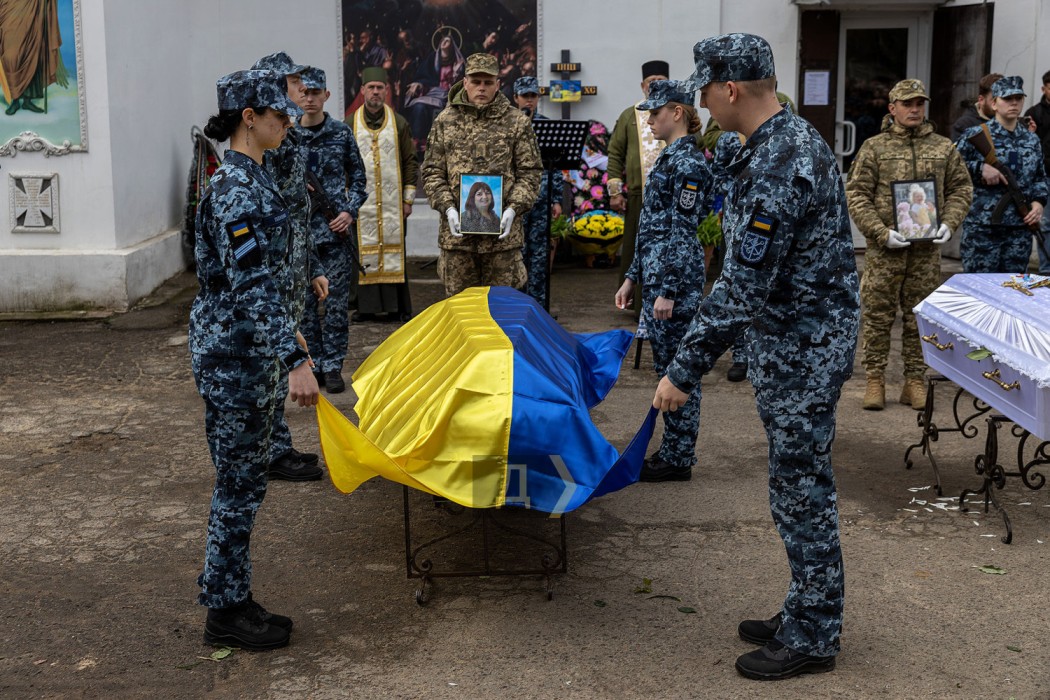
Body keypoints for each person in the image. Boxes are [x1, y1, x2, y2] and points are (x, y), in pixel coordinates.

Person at [653, 33, 860, 680]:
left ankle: (815, 634)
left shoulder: (779, 161)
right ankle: (805, 605)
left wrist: (682, 372)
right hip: (796, 339)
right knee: (794, 484)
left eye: (706, 92)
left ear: (730, 88)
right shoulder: (776, 144)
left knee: (801, 490)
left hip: (805, 347)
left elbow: (742, 284)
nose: (704, 104)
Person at [191, 68, 319, 650]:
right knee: (238, 485)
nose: (289, 122)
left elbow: (269, 277)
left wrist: (290, 335)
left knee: (245, 482)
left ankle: (232, 595)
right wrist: (293, 357)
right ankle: (225, 609)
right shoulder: (235, 189)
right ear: (250, 117)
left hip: (251, 351)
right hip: (235, 357)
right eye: (279, 114)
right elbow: (251, 286)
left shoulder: (257, 178)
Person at [845, 79, 972, 412]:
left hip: (925, 252)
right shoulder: (874, 147)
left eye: (919, 103)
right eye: (907, 104)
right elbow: (856, 193)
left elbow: (961, 188)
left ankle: (914, 380)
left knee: (920, 317)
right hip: (886, 249)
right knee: (877, 316)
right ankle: (875, 379)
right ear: (892, 108)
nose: (914, 109)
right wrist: (879, 231)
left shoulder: (944, 148)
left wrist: (949, 223)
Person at [614, 80, 712, 482]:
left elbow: (681, 230)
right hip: (656, 277)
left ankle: (678, 457)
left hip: (675, 282)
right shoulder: (670, 158)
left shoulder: (689, 164)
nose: (650, 120)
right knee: (666, 369)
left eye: (655, 113)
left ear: (677, 112)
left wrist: (667, 290)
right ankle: (672, 450)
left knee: (678, 370)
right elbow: (650, 228)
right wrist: (632, 277)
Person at [252, 52, 327, 482]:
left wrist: (313, 265)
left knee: (279, 362)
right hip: (273, 268)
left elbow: (301, 213)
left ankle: (276, 446)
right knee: (272, 360)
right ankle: (270, 451)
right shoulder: (271, 141)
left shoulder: (291, 137)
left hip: (294, 265)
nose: (301, 89)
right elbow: (273, 216)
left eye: (301, 83)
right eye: (293, 83)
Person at [421, 52, 542, 298]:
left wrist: (512, 209)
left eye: (488, 82)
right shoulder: (445, 121)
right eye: (476, 81)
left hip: (502, 241)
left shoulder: (516, 122)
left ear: (498, 84)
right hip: (458, 241)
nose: (482, 88)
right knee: (461, 312)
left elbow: (530, 172)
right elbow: (432, 171)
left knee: (501, 311)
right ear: (465, 82)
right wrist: (448, 208)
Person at [701, 93, 794, 383]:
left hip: (771, 211)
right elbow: (710, 142)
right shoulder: (729, 114)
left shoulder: (784, 106)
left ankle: (764, 351)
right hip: (736, 209)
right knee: (739, 279)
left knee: (767, 284)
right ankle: (740, 355)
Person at [296, 67, 368, 393]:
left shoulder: (341, 134)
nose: (310, 98)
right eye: (304, 92)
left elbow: (361, 179)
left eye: (316, 92)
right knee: (307, 308)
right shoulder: (287, 137)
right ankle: (314, 364)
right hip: (301, 236)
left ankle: (334, 365)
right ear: (297, 96)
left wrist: (349, 212)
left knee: (336, 305)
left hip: (335, 234)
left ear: (326, 95)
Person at [956, 76, 1047, 273]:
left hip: (1019, 230)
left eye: (1018, 98)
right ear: (994, 103)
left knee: (1012, 292)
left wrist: (1039, 203)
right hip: (983, 229)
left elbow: (1040, 177)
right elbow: (950, 168)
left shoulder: (1031, 139)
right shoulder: (974, 135)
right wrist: (979, 168)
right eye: (1007, 99)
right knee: (979, 291)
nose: (1014, 103)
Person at [348, 66, 418, 322]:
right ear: (363, 91)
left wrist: (407, 199)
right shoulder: (349, 125)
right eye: (371, 88)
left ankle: (398, 306)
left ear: (386, 91)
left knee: (394, 250)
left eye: (380, 88)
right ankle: (365, 308)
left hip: (393, 204)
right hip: (362, 205)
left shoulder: (399, 123)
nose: (375, 92)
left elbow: (410, 161)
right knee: (363, 251)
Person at [607, 60, 670, 316]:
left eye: (661, 80)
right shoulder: (629, 115)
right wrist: (615, 191)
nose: (655, 84)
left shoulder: (678, 110)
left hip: (670, 199)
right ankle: (635, 304)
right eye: (651, 81)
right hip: (637, 195)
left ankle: (665, 303)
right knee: (636, 248)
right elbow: (614, 154)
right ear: (643, 86)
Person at [513, 75, 562, 309]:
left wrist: (557, 198)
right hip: (517, 204)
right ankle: (519, 306)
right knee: (517, 255)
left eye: (533, 96)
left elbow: (557, 166)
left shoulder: (547, 126)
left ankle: (539, 309)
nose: (529, 101)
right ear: (516, 98)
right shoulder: (508, 125)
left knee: (540, 257)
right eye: (525, 96)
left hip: (542, 201)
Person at [404, 28, 466, 158]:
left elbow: (461, 84)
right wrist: (419, 84)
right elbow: (423, 76)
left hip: (446, 95)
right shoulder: (432, 58)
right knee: (419, 107)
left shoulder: (458, 62)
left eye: (448, 40)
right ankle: (417, 141)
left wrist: (456, 73)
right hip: (430, 93)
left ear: (452, 45)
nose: (444, 42)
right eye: (443, 40)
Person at [0, 0, 66, 115]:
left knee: (33, 53)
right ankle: (15, 99)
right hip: (10, 9)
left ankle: (27, 100)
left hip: (33, 8)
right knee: (11, 56)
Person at [1024, 69, 1050, 274]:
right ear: (1044, 89)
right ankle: (1046, 269)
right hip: (1045, 176)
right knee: (1045, 224)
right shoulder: (1033, 114)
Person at [950, 72, 1002, 141]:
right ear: (981, 100)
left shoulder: (1011, 122)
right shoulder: (965, 125)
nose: (1000, 103)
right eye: (994, 99)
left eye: (1004, 98)